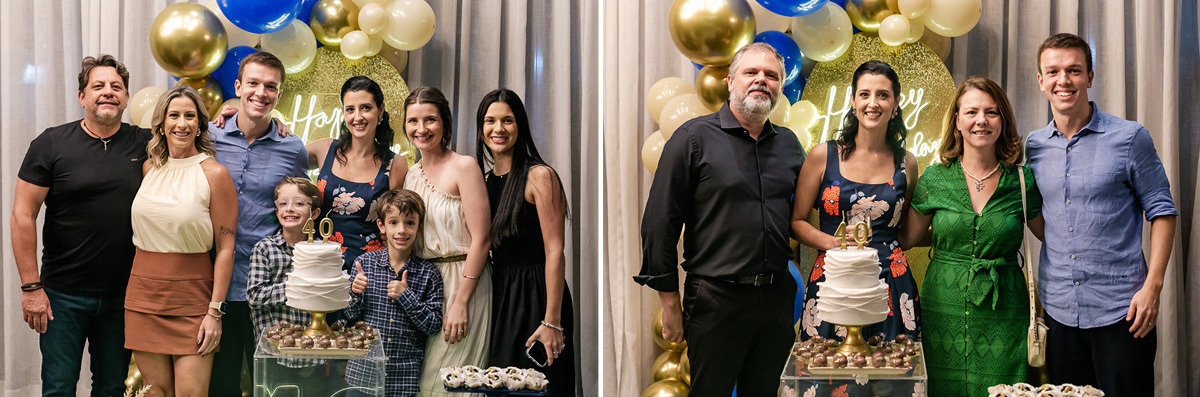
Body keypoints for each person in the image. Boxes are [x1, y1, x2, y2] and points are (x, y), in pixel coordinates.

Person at [636, 43, 804, 396]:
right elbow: (659, 223)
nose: (762, 80)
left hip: (776, 300)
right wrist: (669, 303)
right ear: (730, 82)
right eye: (751, 72)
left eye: (771, 75)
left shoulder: (790, 145)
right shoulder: (692, 138)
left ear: (779, 87)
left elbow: (803, 215)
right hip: (715, 300)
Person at [1025, 33, 1177, 397]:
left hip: (1123, 312)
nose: (1064, 80)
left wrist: (1152, 287)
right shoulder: (1033, 146)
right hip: (1059, 313)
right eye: (1054, 72)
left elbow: (1163, 211)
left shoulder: (1130, 138)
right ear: (1041, 80)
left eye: (1074, 70)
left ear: (1090, 77)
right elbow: (1036, 212)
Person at [899, 76, 1045, 396]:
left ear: (1002, 120)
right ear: (957, 122)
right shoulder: (934, 177)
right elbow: (906, 239)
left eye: (991, 112)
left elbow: (1054, 237)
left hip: (1005, 310)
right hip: (942, 309)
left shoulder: (1022, 180)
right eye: (972, 112)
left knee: (1006, 388)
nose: (981, 120)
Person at [12, 54, 146, 397]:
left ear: (127, 97)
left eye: (116, 87)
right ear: (81, 96)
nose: (108, 92)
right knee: (58, 387)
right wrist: (31, 288)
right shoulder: (52, 143)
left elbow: (190, 134)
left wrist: (227, 114)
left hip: (123, 296)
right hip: (61, 296)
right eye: (98, 86)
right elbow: (22, 216)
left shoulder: (145, 143)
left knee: (112, 387)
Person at [793, 60, 921, 343]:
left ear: (896, 103)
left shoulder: (907, 163)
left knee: (891, 378)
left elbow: (905, 231)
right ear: (853, 101)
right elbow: (796, 222)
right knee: (828, 375)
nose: (872, 103)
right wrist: (832, 243)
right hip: (833, 283)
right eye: (864, 94)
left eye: (883, 95)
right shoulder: (822, 155)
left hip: (891, 282)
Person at [206, 51, 310, 396]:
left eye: (270, 86)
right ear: (238, 87)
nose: (260, 93)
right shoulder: (208, 138)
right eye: (253, 83)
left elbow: (297, 208)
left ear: (279, 94)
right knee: (218, 383)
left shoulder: (292, 147)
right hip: (211, 283)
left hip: (266, 287)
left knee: (272, 384)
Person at [124, 85, 237, 396]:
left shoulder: (215, 174)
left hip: (194, 299)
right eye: (174, 115)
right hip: (142, 296)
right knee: (155, 391)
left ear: (200, 124)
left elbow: (226, 248)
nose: (182, 123)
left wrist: (214, 312)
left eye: (190, 116)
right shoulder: (150, 169)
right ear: (162, 123)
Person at [474, 88, 575, 395]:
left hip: (538, 295)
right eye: (490, 121)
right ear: (481, 128)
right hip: (500, 296)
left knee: (540, 388)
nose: (498, 128)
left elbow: (555, 251)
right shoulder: (484, 182)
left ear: (521, 126)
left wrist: (552, 321)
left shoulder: (539, 176)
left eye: (508, 120)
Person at [402, 86, 494, 397]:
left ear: (445, 124)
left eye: (430, 119)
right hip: (426, 286)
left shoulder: (464, 166)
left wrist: (461, 302)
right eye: (413, 121)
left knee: (451, 384)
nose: (421, 128)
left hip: (464, 281)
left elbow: (482, 238)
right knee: (423, 381)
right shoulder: (410, 175)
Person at [345, 189, 445, 397]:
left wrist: (406, 297)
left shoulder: (429, 274)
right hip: (363, 376)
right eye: (393, 222)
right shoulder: (363, 264)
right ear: (381, 226)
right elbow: (350, 317)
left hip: (404, 381)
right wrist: (355, 293)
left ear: (418, 228)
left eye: (409, 222)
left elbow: (434, 326)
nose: (401, 230)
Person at [308, 76, 408, 270]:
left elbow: (400, 221)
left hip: (371, 271)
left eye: (366, 108)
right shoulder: (325, 149)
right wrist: (275, 123)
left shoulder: (395, 164)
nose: (357, 117)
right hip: (321, 267)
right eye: (350, 109)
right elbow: (282, 153)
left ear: (380, 110)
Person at [246, 177, 324, 336]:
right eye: (283, 203)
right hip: (272, 348)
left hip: (313, 347)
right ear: (277, 211)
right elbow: (255, 297)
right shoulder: (265, 248)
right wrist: (298, 286)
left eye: (299, 203)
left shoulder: (323, 250)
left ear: (314, 213)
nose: (289, 208)